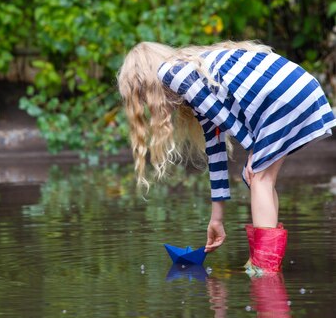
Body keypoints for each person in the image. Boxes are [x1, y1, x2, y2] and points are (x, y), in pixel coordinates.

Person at [117, 40, 335, 273]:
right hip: (297, 88)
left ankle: (264, 266)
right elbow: (216, 147)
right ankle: (266, 263)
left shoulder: (172, 73)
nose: (149, 108)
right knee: (261, 178)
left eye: (143, 98)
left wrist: (252, 149)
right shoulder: (196, 80)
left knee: (258, 177)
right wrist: (216, 218)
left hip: (283, 95)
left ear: (147, 84)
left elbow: (222, 116)